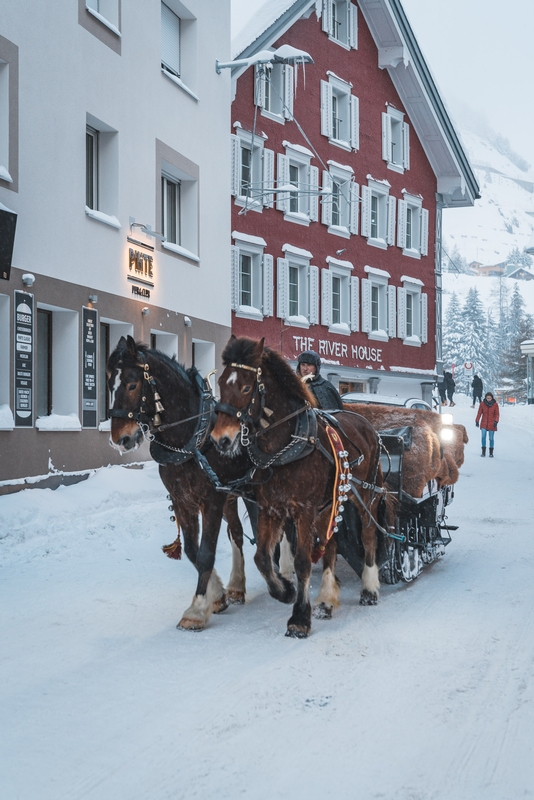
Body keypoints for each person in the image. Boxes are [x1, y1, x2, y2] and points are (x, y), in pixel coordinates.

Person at [475, 391, 499, 457]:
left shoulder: (495, 405)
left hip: (492, 423)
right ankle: (483, 452)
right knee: (483, 437)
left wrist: (496, 421)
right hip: (484, 423)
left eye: (490, 398)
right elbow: (479, 412)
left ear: (492, 398)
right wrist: (477, 420)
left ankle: (491, 452)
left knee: (491, 438)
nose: (488, 399)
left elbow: (497, 414)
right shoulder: (482, 404)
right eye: (487, 398)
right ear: (485, 398)